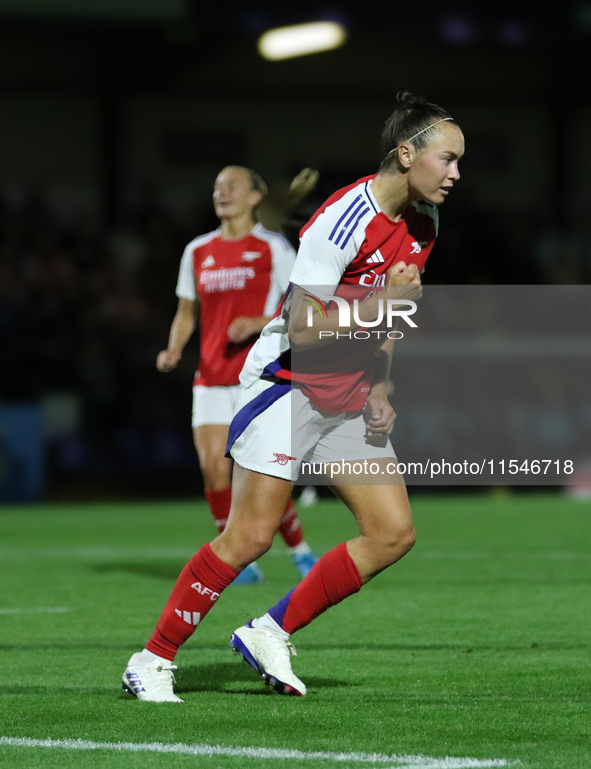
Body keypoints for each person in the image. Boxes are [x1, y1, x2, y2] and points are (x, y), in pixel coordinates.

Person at [122, 92, 464, 702]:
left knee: (391, 533)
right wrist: (383, 303)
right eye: (448, 159)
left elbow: (394, 313)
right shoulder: (342, 219)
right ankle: (151, 660)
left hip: (347, 394)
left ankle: (269, 631)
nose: (457, 174)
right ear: (406, 155)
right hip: (288, 385)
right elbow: (304, 326)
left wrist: (381, 383)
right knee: (249, 536)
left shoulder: (424, 222)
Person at [156, 165, 318, 585]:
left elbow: (302, 308)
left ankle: (299, 550)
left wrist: (257, 321)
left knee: (260, 475)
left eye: (232, 186)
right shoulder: (197, 250)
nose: (221, 192)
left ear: (255, 197)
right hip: (210, 377)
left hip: (258, 378)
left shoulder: (274, 249)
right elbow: (185, 312)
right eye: (216, 186)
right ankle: (234, 556)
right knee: (213, 468)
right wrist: (174, 347)